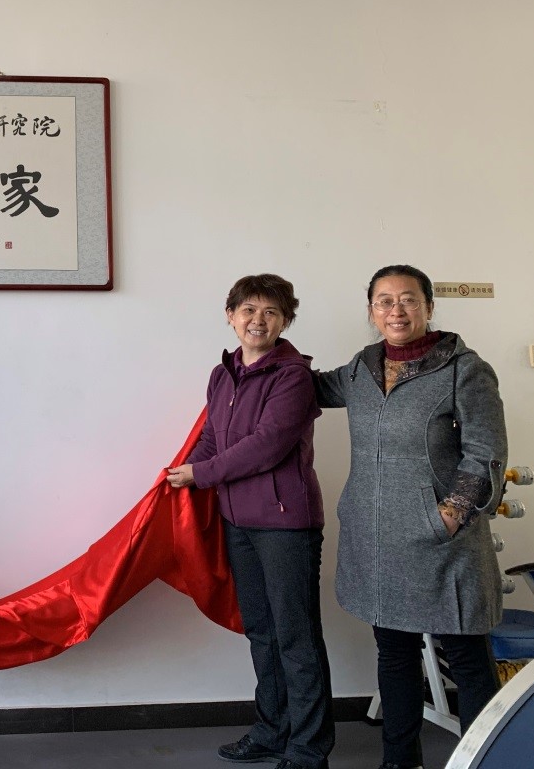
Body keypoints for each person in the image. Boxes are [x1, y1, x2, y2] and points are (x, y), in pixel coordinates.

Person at [317, 265, 506, 769]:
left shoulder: (465, 369)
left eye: (408, 299)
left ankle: (486, 760)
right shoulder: (360, 369)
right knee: (395, 654)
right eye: (385, 301)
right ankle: (400, 761)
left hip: (444, 542)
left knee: (466, 659)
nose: (396, 310)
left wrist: (449, 515)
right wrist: (260, 355)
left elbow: (485, 452)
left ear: (428, 306)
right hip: (378, 539)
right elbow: (304, 389)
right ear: (371, 310)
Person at [167, 274, 334, 769]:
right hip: (237, 522)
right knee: (261, 630)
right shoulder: (222, 375)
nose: (258, 320)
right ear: (230, 315)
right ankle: (271, 731)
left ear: (285, 321)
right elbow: (213, 439)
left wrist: (201, 475)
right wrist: (182, 473)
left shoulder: (293, 377)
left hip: (286, 526)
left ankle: (308, 750)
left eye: (271, 312)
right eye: (248, 310)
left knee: (296, 636)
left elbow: (267, 446)